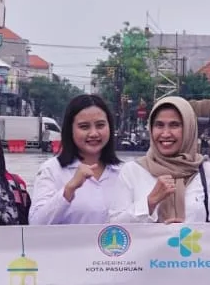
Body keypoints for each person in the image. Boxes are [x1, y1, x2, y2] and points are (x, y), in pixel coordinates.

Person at [123, 95, 210, 225]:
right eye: (159, 125)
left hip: (193, 245)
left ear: (188, 128)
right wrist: (150, 203)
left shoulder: (209, 173)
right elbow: (115, 229)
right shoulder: (132, 171)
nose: (166, 133)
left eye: (174, 125)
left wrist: (186, 232)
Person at [31, 94, 138, 225]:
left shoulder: (126, 172)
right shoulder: (52, 170)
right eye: (84, 127)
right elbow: (35, 225)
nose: (94, 133)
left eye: (100, 125)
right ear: (70, 130)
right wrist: (69, 189)